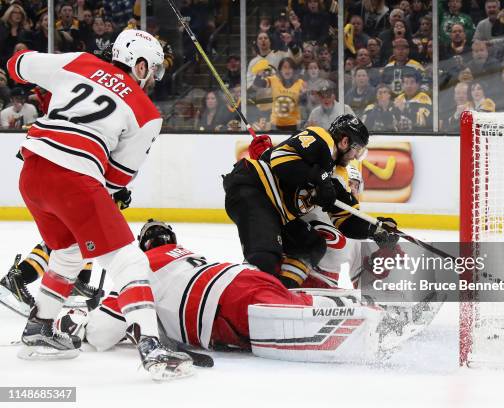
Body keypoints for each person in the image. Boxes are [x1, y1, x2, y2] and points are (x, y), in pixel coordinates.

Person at [6, 29, 193, 380]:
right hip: (74, 176)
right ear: (139, 66)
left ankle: (39, 329)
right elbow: (117, 179)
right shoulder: (147, 112)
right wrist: (107, 193)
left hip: (32, 173)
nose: (151, 78)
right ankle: (152, 347)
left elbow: (18, 64)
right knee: (129, 258)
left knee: (70, 252)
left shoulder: (80, 62)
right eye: (151, 69)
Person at [78, 219, 422, 362]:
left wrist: (78, 323)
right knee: (294, 298)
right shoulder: (188, 255)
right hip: (241, 276)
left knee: (295, 316)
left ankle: (373, 322)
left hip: (223, 306)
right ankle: (377, 305)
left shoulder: (138, 268)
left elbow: (103, 332)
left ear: (142, 246)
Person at [223, 113, 397, 288]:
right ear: (344, 142)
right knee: (265, 256)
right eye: (356, 150)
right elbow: (279, 160)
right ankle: (242, 294)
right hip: (254, 189)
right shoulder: (322, 138)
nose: (355, 157)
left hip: (278, 213)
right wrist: (319, 179)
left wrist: (375, 229)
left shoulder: (339, 175)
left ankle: (283, 291)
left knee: (311, 245)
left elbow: (346, 220)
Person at [253, 57, 306, 131]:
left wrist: (303, 95)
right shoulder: (273, 79)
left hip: (294, 125)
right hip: (275, 124)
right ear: (280, 70)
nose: (287, 70)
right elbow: (258, 84)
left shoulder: (300, 83)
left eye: (290, 68)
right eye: (284, 67)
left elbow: (304, 104)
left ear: (294, 70)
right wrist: (259, 74)